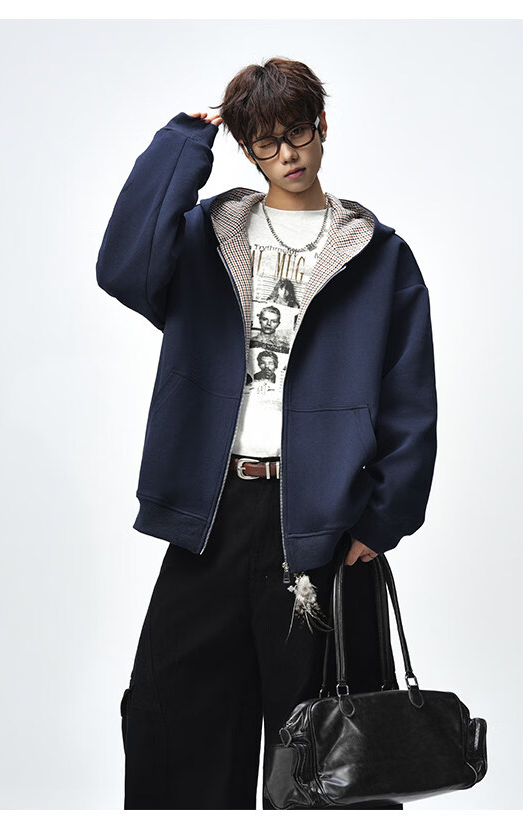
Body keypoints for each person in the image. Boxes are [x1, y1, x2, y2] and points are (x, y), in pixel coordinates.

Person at [96, 57, 438, 809]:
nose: (288, 154)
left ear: (323, 126)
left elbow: (411, 399)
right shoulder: (205, 237)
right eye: (267, 142)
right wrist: (182, 142)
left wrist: (381, 521)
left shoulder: (379, 255)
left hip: (324, 523)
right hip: (214, 515)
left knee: (324, 759)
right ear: (248, 149)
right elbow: (122, 267)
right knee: (176, 728)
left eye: (299, 133)